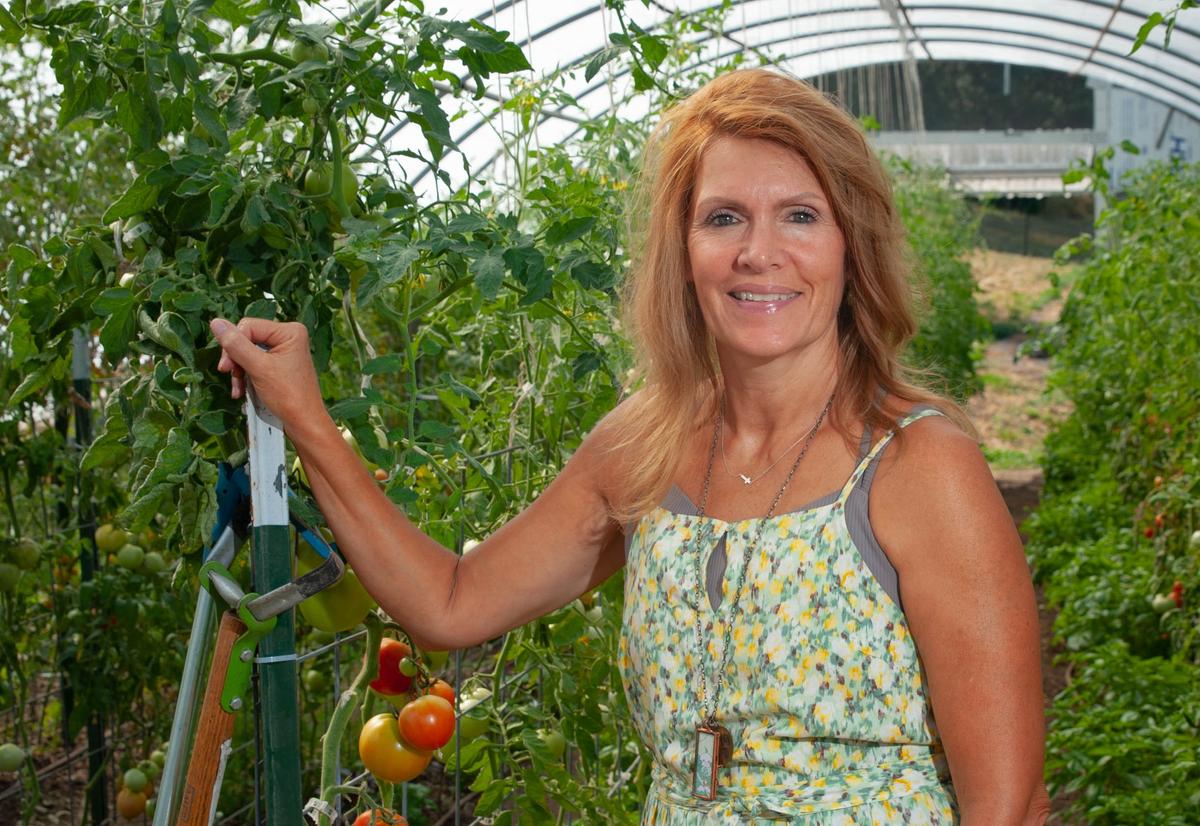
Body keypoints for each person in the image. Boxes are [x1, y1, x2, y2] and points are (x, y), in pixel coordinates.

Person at [211, 68, 1050, 824]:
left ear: (850, 245)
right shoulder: (644, 445)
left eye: (799, 215)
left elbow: (1005, 805)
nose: (759, 253)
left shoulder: (916, 466)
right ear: (683, 255)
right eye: (724, 218)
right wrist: (308, 421)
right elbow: (451, 604)